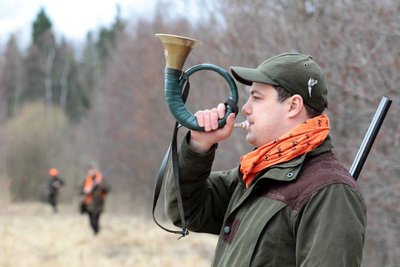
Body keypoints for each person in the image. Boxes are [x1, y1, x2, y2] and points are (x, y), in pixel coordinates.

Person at [165, 53, 367, 266]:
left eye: (257, 97)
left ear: (293, 106)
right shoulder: (257, 173)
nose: (245, 108)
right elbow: (187, 212)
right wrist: (198, 146)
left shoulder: (330, 191)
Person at [81, 162, 110, 235]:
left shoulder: (101, 179)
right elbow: (80, 190)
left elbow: (107, 189)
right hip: (89, 203)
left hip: (98, 203)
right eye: (90, 169)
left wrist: (100, 185)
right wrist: (85, 190)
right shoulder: (87, 180)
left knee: (96, 220)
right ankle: (96, 232)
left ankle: (97, 233)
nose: (92, 171)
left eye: (94, 169)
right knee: (91, 222)